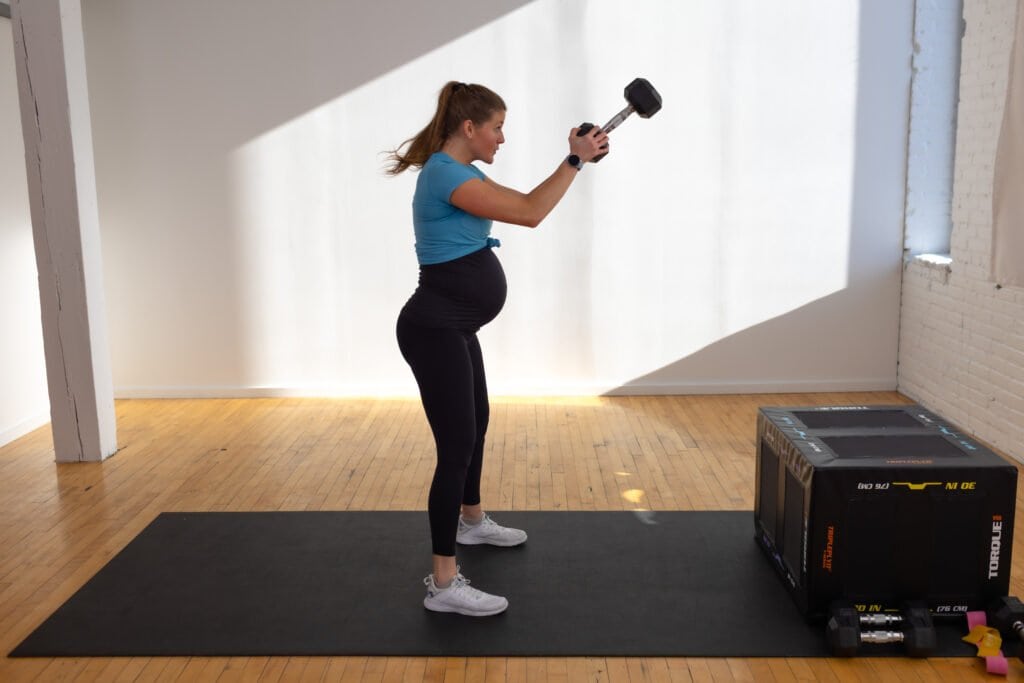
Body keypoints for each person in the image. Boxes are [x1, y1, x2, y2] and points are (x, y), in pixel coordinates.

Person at [387, 81, 609, 616]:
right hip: (434, 330)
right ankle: (443, 585)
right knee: (456, 446)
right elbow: (531, 211)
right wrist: (574, 161)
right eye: (497, 127)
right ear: (470, 128)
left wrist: (574, 159)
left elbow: (527, 201)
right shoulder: (445, 174)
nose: (502, 138)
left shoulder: (462, 172)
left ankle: (472, 522)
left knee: (477, 422)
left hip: (456, 328)